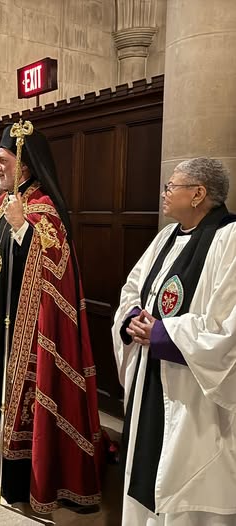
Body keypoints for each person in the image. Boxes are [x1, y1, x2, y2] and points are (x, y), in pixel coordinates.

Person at [0, 122, 105, 512]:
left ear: (25, 165)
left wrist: (22, 227)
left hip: (31, 330)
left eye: (2, 161)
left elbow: (56, 267)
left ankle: (28, 476)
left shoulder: (44, 210)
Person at [112, 157, 236, 526]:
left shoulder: (229, 240)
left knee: (186, 472)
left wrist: (164, 335)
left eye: (171, 186)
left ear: (198, 194)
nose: (164, 194)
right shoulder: (166, 236)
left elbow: (228, 328)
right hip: (150, 374)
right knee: (146, 466)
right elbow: (133, 289)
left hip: (192, 388)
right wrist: (132, 319)